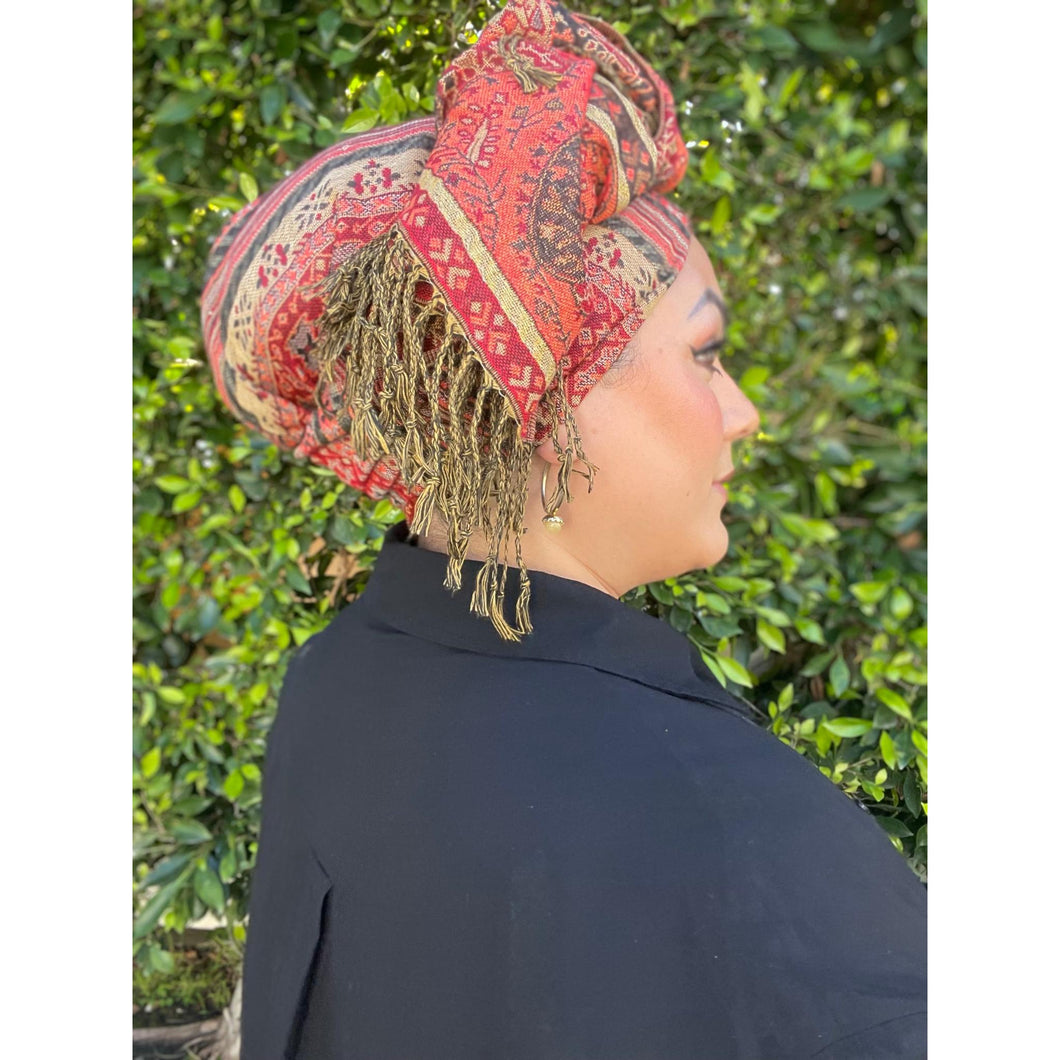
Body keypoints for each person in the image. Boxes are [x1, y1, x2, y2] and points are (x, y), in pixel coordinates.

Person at [200, 1, 927, 1057]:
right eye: (706, 355)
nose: (742, 413)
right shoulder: (727, 819)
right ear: (540, 398)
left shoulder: (332, 683)